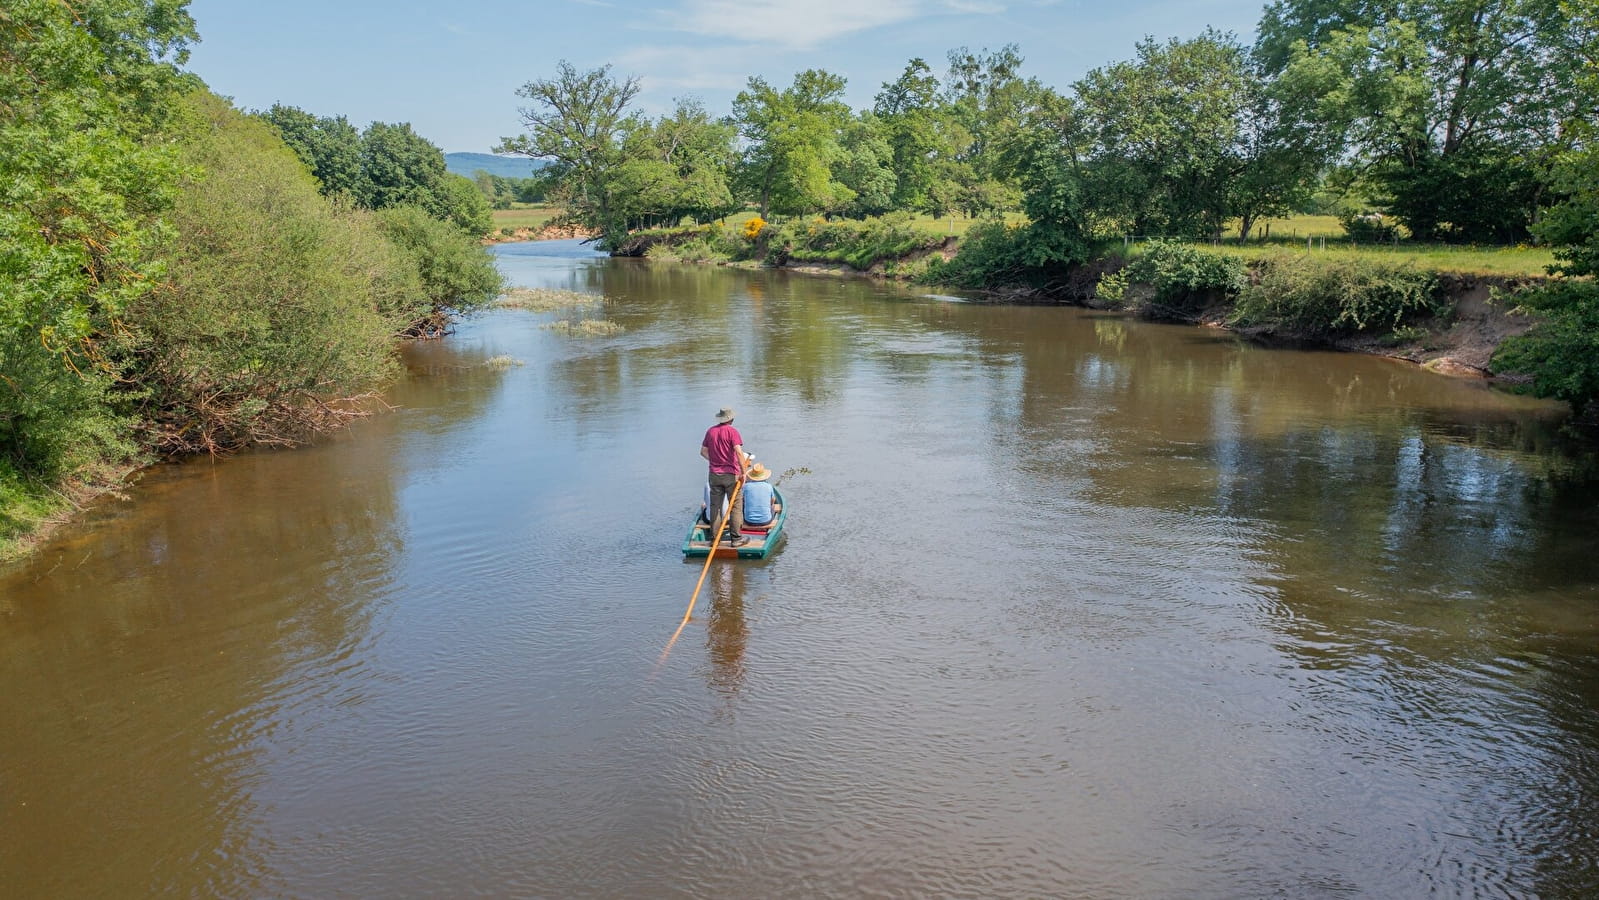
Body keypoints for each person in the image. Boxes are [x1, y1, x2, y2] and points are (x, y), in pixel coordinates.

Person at [700, 407, 749, 546]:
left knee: (715, 506)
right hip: (730, 474)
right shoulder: (733, 432)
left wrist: (715, 461)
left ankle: (715, 539)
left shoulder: (711, 431)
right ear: (731, 419)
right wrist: (743, 472)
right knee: (735, 506)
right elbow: (739, 453)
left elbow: (703, 451)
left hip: (714, 474)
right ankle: (736, 539)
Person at [740, 462, 781, 529]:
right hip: (766, 521)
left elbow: (743, 499)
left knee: (743, 503)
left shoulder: (746, 486)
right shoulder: (769, 486)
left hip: (748, 521)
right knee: (772, 505)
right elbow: (772, 501)